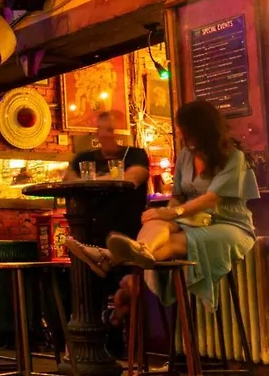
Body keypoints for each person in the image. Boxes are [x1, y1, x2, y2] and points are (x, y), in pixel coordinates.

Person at [67, 100, 260, 318]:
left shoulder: (233, 157)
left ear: (202, 128)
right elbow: (177, 196)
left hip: (227, 224)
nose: (180, 135)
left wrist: (171, 213)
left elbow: (210, 199)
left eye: (184, 129)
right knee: (154, 225)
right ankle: (126, 258)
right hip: (193, 220)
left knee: (170, 242)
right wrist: (166, 216)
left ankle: (109, 258)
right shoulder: (186, 155)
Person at [63, 110, 151, 244]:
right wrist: (108, 178)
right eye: (100, 129)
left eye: (109, 130)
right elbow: (68, 180)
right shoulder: (83, 158)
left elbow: (133, 177)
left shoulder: (134, 154)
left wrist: (89, 181)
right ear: (96, 133)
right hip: (90, 231)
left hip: (127, 229)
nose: (105, 134)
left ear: (117, 132)